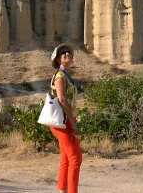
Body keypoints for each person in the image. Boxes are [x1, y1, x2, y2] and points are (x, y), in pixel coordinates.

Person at [50, 44, 81, 193]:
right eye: (63, 53)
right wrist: (73, 123)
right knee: (75, 158)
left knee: (66, 157)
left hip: (67, 119)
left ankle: (63, 189)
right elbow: (62, 101)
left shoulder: (67, 75)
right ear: (58, 59)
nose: (67, 53)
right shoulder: (60, 76)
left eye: (68, 52)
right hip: (61, 121)